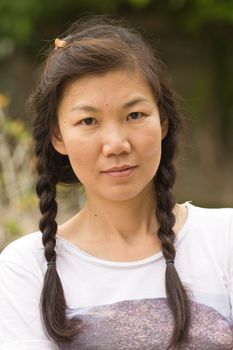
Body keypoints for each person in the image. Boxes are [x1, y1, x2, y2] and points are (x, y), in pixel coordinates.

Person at [0, 16, 232, 350]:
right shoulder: (24, 269)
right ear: (58, 137)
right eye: (88, 121)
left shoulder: (226, 241)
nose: (116, 144)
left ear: (163, 122)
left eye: (134, 115)